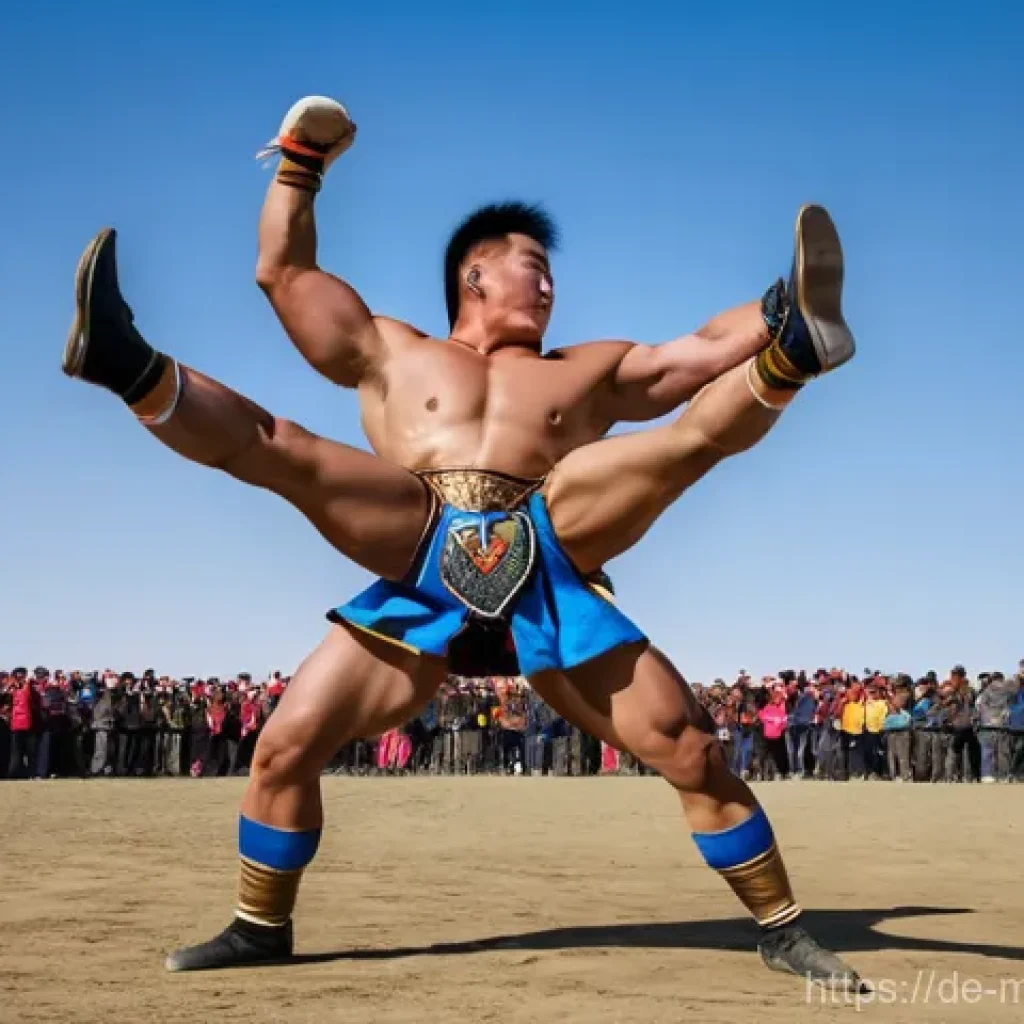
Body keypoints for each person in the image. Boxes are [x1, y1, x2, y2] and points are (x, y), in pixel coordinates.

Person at [64, 95, 859, 986]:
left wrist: (774, 307)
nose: (551, 285)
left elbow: (692, 355)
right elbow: (284, 274)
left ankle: (793, 350)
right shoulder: (392, 351)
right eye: (533, 268)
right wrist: (300, 161)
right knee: (284, 722)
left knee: (690, 734)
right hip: (416, 555)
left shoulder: (586, 368)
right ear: (474, 277)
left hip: (555, 556)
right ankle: (126, 363)